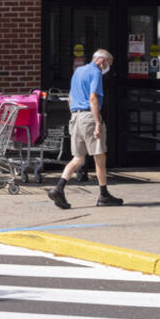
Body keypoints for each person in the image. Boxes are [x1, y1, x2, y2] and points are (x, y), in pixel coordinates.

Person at [48, 48, 123, 208]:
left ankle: (59, 188)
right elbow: (93, 97)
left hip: (75, 116)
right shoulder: (95, 72)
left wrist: (74, 116)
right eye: (108, 64)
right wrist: (97, 123)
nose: (108, 68)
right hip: (89, 117)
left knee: (78, 158)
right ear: (101, 61)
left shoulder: (78, 71)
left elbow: (70, 98)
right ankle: (103, 195)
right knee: (99, 156)